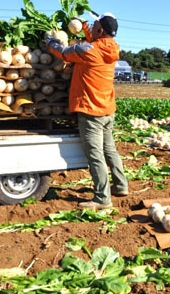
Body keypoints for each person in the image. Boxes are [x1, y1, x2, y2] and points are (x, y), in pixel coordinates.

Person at [45, 12, 128, 209]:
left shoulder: (88, 49)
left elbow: (63, 52)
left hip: (91, 110)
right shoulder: (113, 47)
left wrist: (49, 40)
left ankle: (102, 199)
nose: (92, 26)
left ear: (100, 30)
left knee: (95, 155)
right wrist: (83, 26)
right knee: (110, 149)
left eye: (94, 25)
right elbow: (94, 41)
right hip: (107, 109)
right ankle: (121, 185)